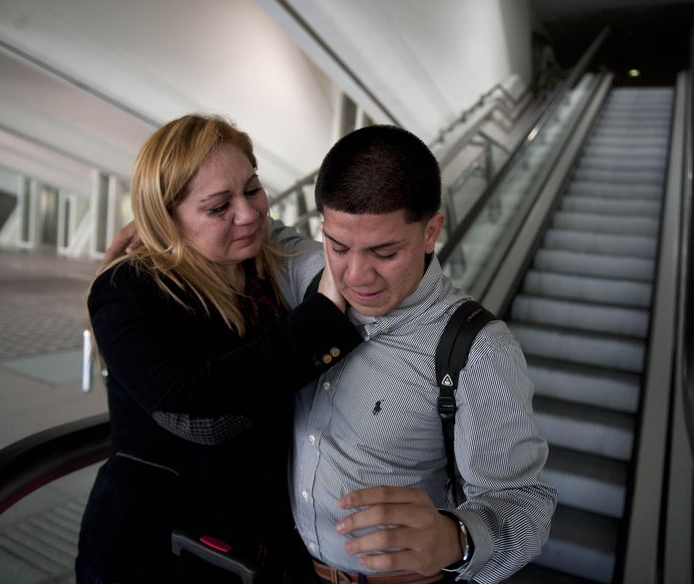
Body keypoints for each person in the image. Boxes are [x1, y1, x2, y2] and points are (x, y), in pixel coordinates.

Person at [76, 113, 363, 584]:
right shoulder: (126, 289)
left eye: (252, 189)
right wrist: (322, 318)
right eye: (217, 207)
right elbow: (200, 414)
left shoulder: (265, 270)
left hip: (262, 548)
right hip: (154, 556)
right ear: (166, 218)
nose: (249, 214)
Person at [287, 125, 556, 584]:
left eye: (384, 252)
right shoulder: (307, 272)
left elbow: (526, 503)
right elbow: (249, 224)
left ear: (431, 231)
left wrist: (456, 538)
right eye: (338, 246)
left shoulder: (478, 349)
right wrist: (155, 221)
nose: (356, 275)